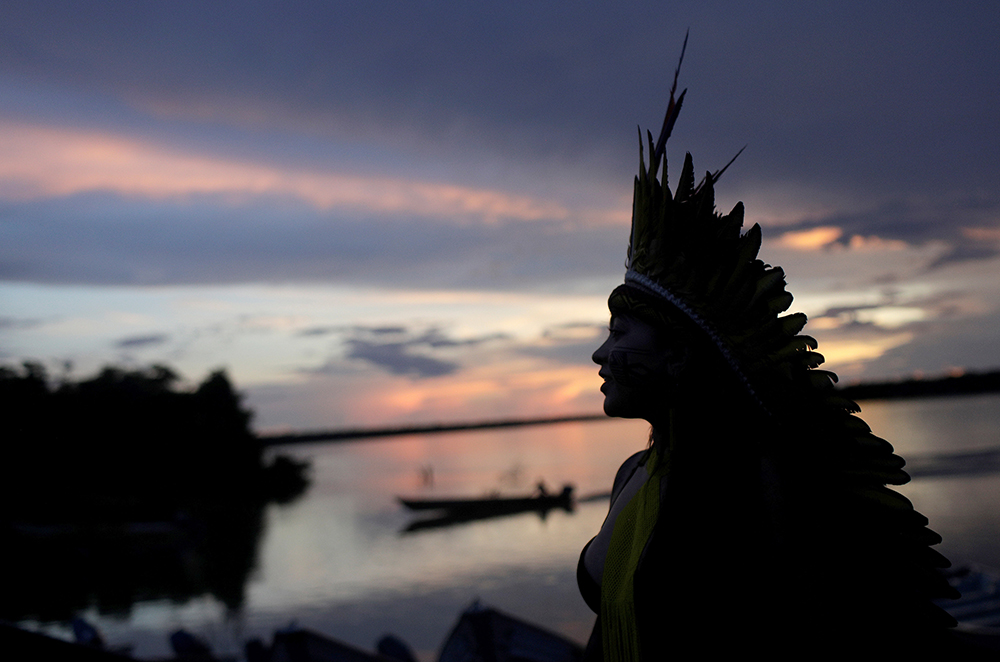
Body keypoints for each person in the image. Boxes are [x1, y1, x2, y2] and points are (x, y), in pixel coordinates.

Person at [577, 44, 965, 660]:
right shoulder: (636, 473)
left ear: (680, 358)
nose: (601, 354)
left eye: (621, 333)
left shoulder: (761, 484)